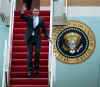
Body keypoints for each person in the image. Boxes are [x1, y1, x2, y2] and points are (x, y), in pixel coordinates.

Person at [20, 5, 52, 77]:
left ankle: (36, 68)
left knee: (37, 53)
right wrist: (22, 11)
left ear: (38, 12)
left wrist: (48, 37)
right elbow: (22, 17)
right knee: (30, 55)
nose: (35, 12)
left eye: (37, 11)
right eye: (34, 11)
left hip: (37, 38)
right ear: (32, 12)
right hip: (29, 38)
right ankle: (29, 70)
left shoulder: (41, 19)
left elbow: (44, 30)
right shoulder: (29, 17)